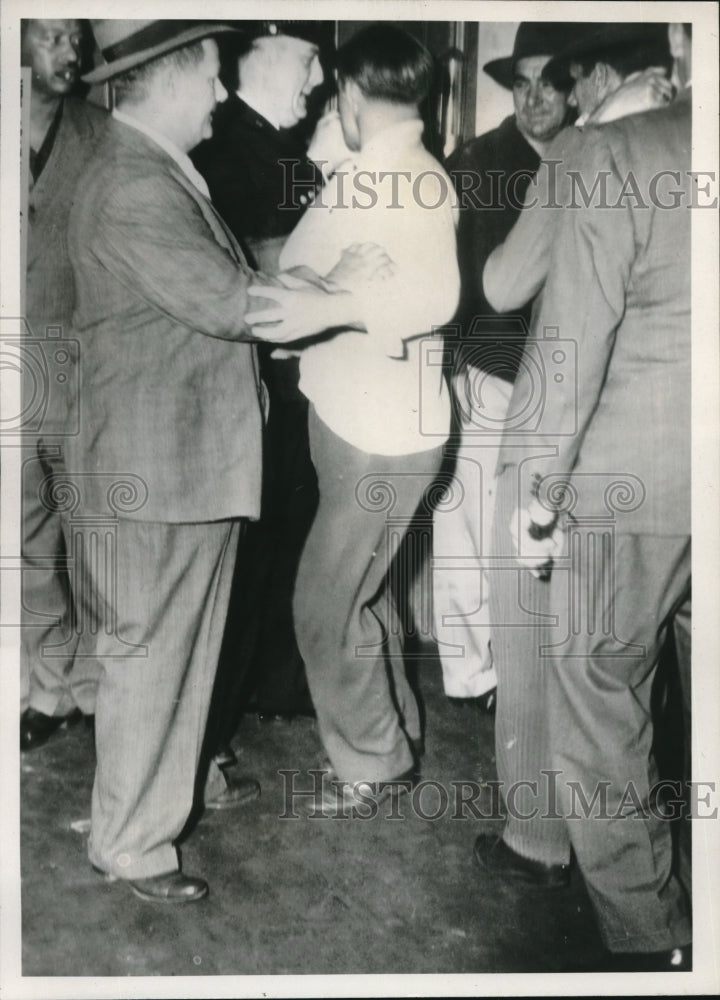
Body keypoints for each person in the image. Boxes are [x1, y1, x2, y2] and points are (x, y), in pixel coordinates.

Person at [64, 19, 313, 904]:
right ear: (169, 80)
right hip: (161, 462)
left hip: (168, 454)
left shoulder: (149, 168)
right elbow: (226, 302)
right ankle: (133, 840)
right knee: (154, 656)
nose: (219, 94)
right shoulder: (134, 182)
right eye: (211, 76)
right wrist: (348, 294)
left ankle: (137, 804)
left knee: (161, 653)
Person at [478, 24, 692, 972]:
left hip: (619, 477)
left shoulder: (600, 152)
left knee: (594, 694)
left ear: (601, 80)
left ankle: (644, 940)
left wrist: (538, 506)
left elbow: (512, 291)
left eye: (559, 82)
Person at [246, 24, 460, 813]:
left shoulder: (399, 177)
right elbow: (291, 265)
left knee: (324, 602)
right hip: (374, 427)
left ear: (352, 95)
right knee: (360, 593)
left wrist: (330, 297)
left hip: (378, 438)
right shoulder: (378, 169)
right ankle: (390, 737)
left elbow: (435, 299)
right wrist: (323, 283)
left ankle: (373, 762)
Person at [431, 22, 575, 713]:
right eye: (522, 85)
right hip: (490, 370)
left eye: (548, 82)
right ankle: (474, 674)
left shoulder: (589, 156)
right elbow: (457, 282)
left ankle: (522, 666)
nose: (534, 97)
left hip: (563, 381)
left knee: (531, 530)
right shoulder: (479, 162)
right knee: (467, 519)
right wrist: (455, 367)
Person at [192, 22, 328, 735]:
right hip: (250, 387)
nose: (316, 82)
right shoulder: (218, 155)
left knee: (287, 539)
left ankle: (272, 683)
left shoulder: (288, 155)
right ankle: (223, 713)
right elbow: (242, 269)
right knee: (248, 552)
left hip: (296, 384)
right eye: (306, 63)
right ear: (266, 61)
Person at [20, 18, 107, 751]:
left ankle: (104, 691)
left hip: (81, 364)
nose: (69, 50)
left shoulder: (102, 133)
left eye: (74, 35)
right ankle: (50, 692)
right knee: (25, 543)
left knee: (95, 539)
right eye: (50, 35)